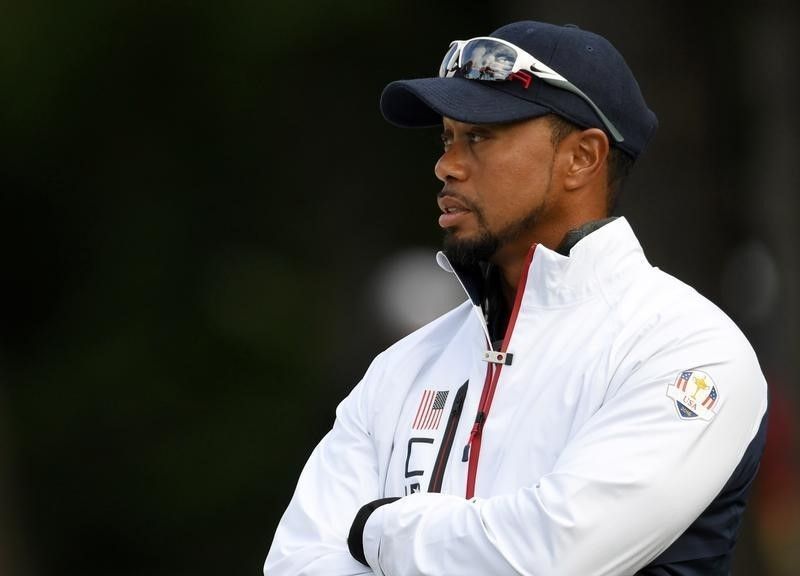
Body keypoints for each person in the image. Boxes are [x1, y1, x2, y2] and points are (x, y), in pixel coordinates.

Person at [264, 20, 768, 575]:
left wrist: (380, 529)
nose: (446, 165)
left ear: (582, 157)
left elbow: (549, 559)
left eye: (480, 137)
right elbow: (294, 564)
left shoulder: (689, 351)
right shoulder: (400, 368)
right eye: (447, 138)